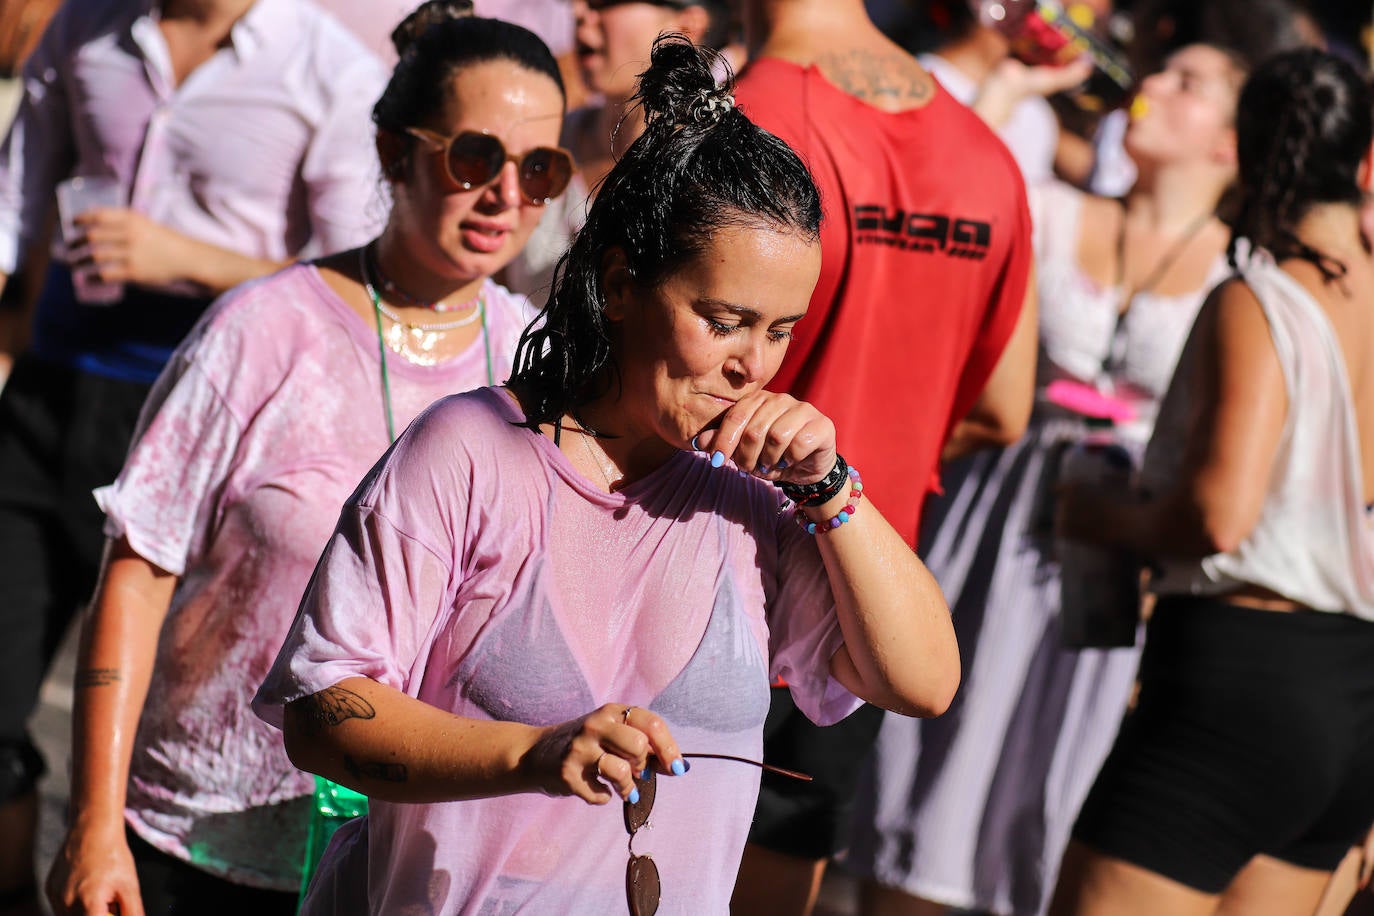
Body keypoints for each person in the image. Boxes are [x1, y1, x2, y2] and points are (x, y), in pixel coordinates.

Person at [251, 34, 960, 915]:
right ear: (621, 283)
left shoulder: (752, 507)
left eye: (779, 331)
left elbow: (922, 682)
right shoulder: (470, 450)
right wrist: (531, 755)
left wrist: (832, 489)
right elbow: (319, 712)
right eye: (725, 319)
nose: (754, 365)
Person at [43, 11, 569, 915]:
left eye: (541, 171)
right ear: (395, 151)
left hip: (401, 865)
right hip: (195, 847)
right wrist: (94, 828)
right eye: (476, 157)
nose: (505, 195)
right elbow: (138, 568)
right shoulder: (264, 327)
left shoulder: (537, 367)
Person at [0, 0, 387, 910]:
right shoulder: (83, 26)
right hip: (54, 392)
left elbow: (348, 279)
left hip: (211, 415)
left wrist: (189, 256)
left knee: (159, 719)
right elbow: (16, 198)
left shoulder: (326, 70)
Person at [848, 40, 1248, 916]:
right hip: (1006, 503)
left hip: (1121, 536)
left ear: (1230, 141)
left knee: (1057, 756)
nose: (1150, 87)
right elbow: (937, 193)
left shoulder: (1239, 270)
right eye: (1158, 70)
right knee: (941, 741)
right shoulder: (1053, 207)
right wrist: (1013, 85)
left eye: (1187, 84)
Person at [1050, 47, 1374, 916]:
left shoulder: (1262, 296)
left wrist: (1098, 514)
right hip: (1350, 692)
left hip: (1237, 685)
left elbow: (1218, 516)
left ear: (1253, 151)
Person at [728, 2, 1038, 911]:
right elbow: (1002, 409)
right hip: (862, 601)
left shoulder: (742, 121)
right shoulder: (986, 153)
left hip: (705, 576)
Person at [504, 0, 728, 305]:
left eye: (603, 2)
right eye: (577, 3)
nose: (580, 14)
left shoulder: (714, 171)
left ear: (686, 26)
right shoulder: (547, 139)